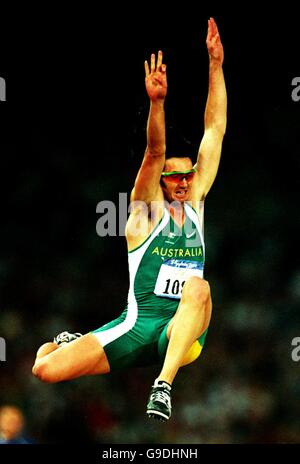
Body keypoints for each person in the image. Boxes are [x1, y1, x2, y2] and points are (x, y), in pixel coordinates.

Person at [32, 17, 227, 422]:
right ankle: (69, 341)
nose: (184, 183)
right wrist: (157, 103)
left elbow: (215, 128)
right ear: (162, 184)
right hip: (137, 327)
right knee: (45, 369)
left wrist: (215, 65)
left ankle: (163, 386)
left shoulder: (196, 201)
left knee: (198, 287)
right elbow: (154, 154)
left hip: (183, 332)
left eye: (189, 176)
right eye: (175, 178)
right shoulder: (141, 216)